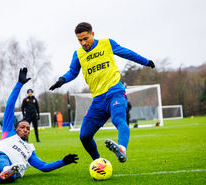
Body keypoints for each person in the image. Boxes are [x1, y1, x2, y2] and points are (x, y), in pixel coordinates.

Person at [49, 22, 155, 163]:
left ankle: (122, 148)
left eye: (85, 38)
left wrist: (145, 61)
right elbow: (73, 72)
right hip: (98, 100)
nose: (83, 43)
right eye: (80, 40)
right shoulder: (78, 54)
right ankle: (98, 162)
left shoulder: (106, 44)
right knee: (84, 135)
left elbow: (127, 53)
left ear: (92, 34)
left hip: (114, 92)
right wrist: (62, 79)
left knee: (119, 119)